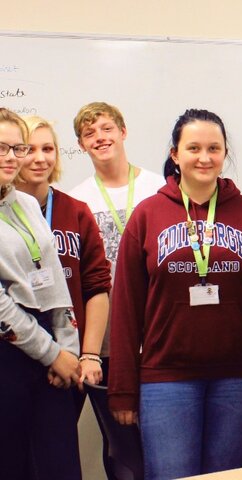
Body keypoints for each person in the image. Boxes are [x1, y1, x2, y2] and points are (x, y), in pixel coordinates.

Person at [108, 109, 242, 479]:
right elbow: (126, 310)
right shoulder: (147, 216)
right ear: (175, 154)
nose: (204, 157)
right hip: (167, 376)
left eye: (214, 148)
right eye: (193, 148)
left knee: (227, 475)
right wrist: (122, 389)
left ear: (225, 154)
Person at [69, 101, 164, 477]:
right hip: (108, 344)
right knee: (121, 446)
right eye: (90, 133)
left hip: (159, 337)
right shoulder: (77, 200)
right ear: (81, 144)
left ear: (123, 132)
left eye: (107, 128)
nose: (100, 138)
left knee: (159, 440)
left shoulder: (159, 187)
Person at [0, 108, 82, 479]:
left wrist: (69, 349)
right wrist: (52, 354)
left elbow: (53, 282)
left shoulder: (27, 203)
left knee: (59, 466)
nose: (11, 157)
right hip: (9, 355)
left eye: (17, 147)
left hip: (51, 352)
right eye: (1, 148)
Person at [15, 116, 111, 416]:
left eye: (48, 148)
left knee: (58, 453)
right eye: (29, 149)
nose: (40, 158)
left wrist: (89, 355)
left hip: (70, 363)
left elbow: (96, 287)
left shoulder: (76, 212)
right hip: (16, 355)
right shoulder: (6, 214)